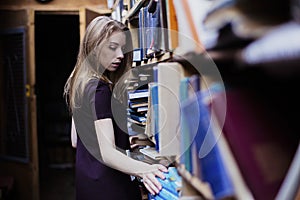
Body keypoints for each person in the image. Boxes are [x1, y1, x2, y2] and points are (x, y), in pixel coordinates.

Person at [64, 16, 168, 200]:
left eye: (122, 47)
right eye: (113, 47)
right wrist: (145, 170)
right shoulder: (100, 89)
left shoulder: (79, 82)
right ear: (94, 47)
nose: (120, 54)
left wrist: (122, 140)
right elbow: (107, 152)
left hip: (88, 183)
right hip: (109, 187)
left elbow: (75, 140)